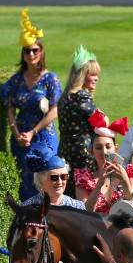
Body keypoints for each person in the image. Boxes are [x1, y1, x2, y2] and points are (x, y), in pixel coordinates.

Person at [0, 9, 62, 201]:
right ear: (23, 54)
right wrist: (16, 132)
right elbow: (9, 106)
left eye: (35, 50)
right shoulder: (16, 80)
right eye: (27, 51)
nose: (31, 54)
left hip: (43, 136)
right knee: (25, 181)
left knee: (47, 178)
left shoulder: (50, 79)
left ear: (41, 52)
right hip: (21, 138)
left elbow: (54, 111)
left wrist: (33, 132)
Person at [75, 110, 133, 214]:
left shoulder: (131, 174)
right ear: (91, 151)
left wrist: (125, 181)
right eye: (98, 147)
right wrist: (99, 183)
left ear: (116, 148)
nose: (104, 152)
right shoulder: (84, 179)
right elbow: (85, 214)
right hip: (95, 228)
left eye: (108, 146)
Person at [58, 45, 100, 197]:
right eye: (92, 74)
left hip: (65, 152)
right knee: (84, 197)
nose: (97, 78)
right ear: (82, 75)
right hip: (83, 155)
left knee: (67, 194)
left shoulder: (64, 97)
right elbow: (100, 122)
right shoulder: (83, 96)